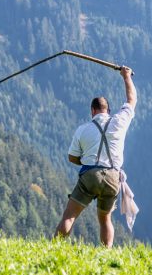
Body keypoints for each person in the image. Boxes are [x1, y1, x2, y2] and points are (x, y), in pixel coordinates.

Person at [54, 65, 138, 248]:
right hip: (113, 178)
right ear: (108, 110)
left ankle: (55, 249)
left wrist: (86, 160)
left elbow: (72, 157)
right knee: (105, 218)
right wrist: (126, 77)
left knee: (70, 215)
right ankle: (105, 254)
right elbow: (132, 100)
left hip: (90, 176)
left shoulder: (83, 129)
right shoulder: (120, 122)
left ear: (92, 111)